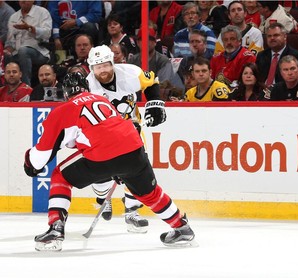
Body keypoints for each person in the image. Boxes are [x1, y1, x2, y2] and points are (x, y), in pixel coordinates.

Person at [23, 72, 195, 251]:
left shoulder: (63, 110)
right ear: (87, 88)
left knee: (61, 176)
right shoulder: (101, 100)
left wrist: (29, 162)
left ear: (65, 93)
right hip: (134, 149)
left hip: (101, 155)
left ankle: (55, 229)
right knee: (149, 193)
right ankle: (181, 227)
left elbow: (41, 156)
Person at [86, 45, 167, 232]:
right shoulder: (88, 87)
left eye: (105, 65)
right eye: (97, 67)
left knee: (137, 170)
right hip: (102, 135)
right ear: (91, 68)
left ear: (112, 63)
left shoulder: (130, 73)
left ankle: (132, 211)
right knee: (101, 177)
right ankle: (101, 198)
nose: (102, 70)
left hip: (132, 131)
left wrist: (155, 105)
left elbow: (152, 81)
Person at [4, 1, 52, 86]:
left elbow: (47, 34)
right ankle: (8, 89)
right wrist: (6, 50)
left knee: (23, 51)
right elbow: (10, 41)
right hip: (17, 52)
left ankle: (26, 87)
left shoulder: (42, 12)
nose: (23, 0)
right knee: (6, 55)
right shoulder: (13, 17)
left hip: (39, 51)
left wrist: (30, 28)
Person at [256, 22, 298, 87]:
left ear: (285, 36)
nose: (272, 38)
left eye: (276, 35)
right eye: (269, 36)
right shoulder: (261, 55)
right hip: (262, 91)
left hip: (282, 91)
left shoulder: (294, 55)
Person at [210, 25, 256, 89]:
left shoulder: (247, 57)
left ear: (240, 41)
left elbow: (245, 84)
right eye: (225, 40)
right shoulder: (215, 58)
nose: (229, 42)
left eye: (232, 39)